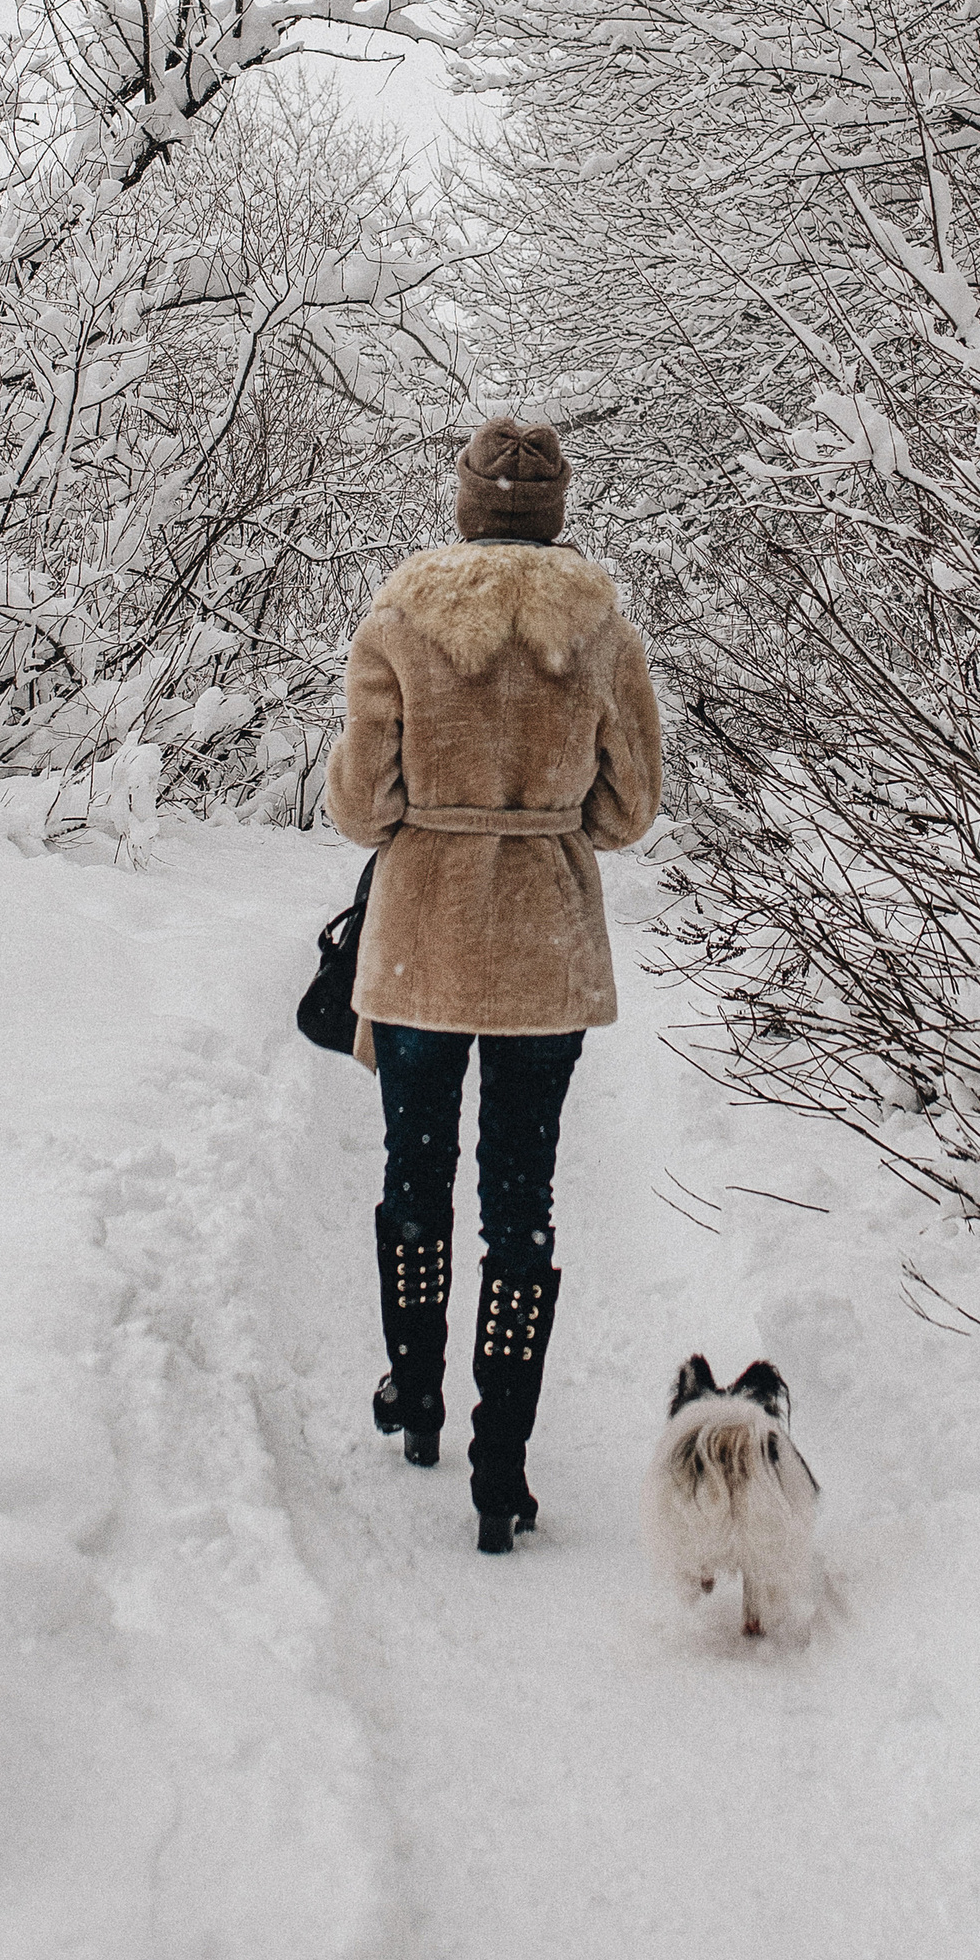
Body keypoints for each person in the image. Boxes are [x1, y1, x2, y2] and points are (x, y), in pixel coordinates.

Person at [325, 417, 665, 1553]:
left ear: (466, 505)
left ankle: (416, 1394)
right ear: (555, 512)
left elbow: (361, 805)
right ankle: (501, 1463)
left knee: (414, 1176)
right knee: (522, 1200)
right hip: (541, 953)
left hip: (419, 945)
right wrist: (543, 815)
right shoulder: (601, 628)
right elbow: (627, 809)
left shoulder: (400, 617)